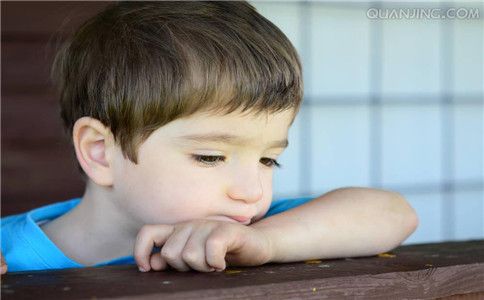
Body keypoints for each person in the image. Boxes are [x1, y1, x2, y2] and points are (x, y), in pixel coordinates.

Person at [1, 1, 418, 274]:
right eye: (210, 157)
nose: (252, 192)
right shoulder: (8, 252)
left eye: (268, 160)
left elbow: (394, 213)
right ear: (101, 152)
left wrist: (266, 242)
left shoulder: (251, 233)